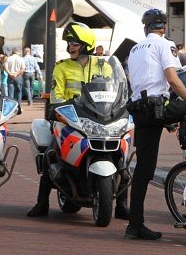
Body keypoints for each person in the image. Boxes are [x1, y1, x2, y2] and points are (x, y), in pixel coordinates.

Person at [124, 9, 186, 241]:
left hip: (141, 111)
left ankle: (135, 225)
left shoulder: (134, 49)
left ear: (145, 28)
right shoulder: (165, 45)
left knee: (144, 170)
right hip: (158, 107)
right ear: (164, 28)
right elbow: (173, 79)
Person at [26, 22, 128, 219]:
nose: (70, 46)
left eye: (74, 43)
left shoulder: (104, 66)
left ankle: (122, 206)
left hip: (99, 116)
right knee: (51, 152)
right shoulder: (61, 68)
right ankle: (42, 203)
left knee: (121, 157)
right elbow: (57, 95)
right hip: (70, 116)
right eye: (69, 43)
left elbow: (113, 90)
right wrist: (57, 107)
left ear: (85, 44)